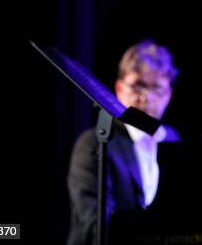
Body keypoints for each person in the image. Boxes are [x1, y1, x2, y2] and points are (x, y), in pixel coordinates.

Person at [66, 39, 180, 245]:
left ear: (169, 95)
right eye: (138, 86)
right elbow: (95, 225)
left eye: (156, 88)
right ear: (119, 88)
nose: (146, 98)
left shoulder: (174, 141)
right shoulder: (93, 143)